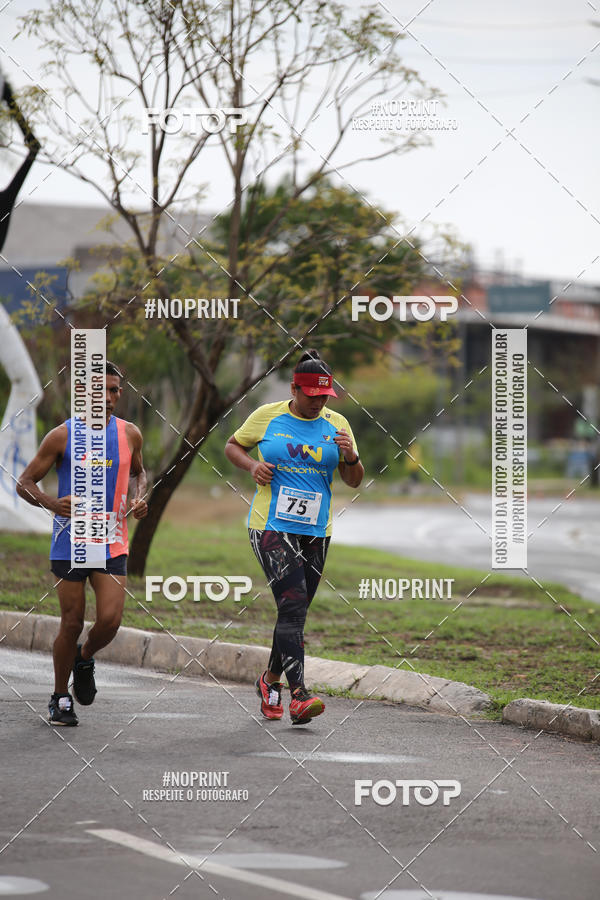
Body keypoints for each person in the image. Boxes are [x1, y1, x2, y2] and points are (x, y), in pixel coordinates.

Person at [224, 349, 364, 725]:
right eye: (312, 395)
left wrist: (351, 457)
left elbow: (353, 480)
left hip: (316, 530)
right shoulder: (267, 416)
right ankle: (299, 695)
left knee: (294, 611)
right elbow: (232, 445)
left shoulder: (338, 425)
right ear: (294, 389)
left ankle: (270, 681)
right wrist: (252, 465)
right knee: (293, 605)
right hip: (270, 525)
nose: (319, 402)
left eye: (325, 396)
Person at [17, 361, 148, 726]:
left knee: (110, 620)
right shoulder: (61, 435)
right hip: (70, 542)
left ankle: (84, 657)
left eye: (114, 390)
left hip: (111, 540)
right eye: (100, 390)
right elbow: (24, 482)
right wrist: (52, 503)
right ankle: (60, 696)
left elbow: (139, 473)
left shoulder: (130, 433)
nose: (108, 397)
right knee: (72, 621)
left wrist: (139, 497)